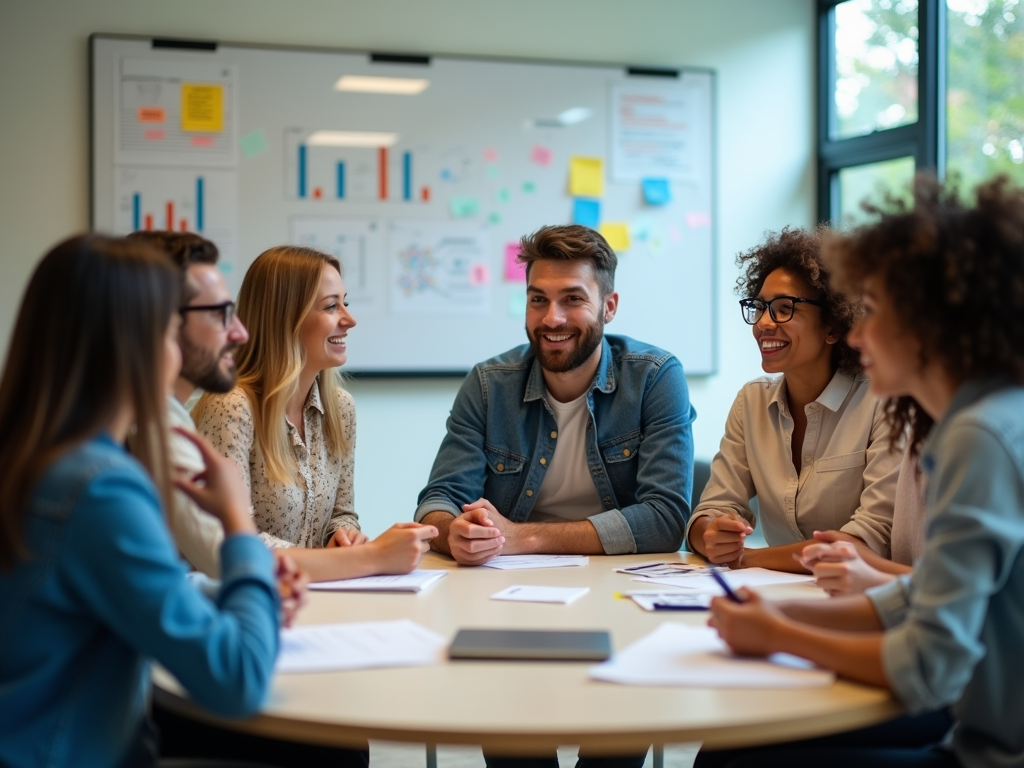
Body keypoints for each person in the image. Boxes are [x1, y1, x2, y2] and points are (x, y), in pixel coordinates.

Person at [699, 174, 1024, 768]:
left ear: (934, 323)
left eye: (873, 313)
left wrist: (779, 634)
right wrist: (782, 609)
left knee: (733, 756)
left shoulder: (978, 437)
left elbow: (927, 668)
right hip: (975, 730)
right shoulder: (982, 417)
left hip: (985, 753)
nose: (857, 333)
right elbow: (920, 596)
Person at [0, 234, 279, 768]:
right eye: (171, 333)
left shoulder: (37, 458)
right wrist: (239, 526)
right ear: (132, 342)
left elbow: (101, 593)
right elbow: (238, 680)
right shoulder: (101, 488)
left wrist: (234, 593)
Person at [194, 245, 437, 582]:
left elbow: (342, 514)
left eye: (345, 303)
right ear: (284, 318)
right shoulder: (232, 407)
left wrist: (343, 536)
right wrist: (371, 557)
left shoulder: (340, 408)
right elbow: (233, 546)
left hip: (315, 597)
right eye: (331, 306)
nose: (349, 320)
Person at [687, 227, 902, 572]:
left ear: (833, 326)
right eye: (759, 308)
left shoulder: (881, 403)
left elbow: (866, 540)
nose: (763, 324)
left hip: (860, 603)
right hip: (777, 594)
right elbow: (711, 509)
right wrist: (710, 533)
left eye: (785, 308)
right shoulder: (751, 402)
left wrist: (748, 558)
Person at [126, 230, 248, 577]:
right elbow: (224, 563)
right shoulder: (150, 425)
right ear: (160, 322)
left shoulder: (168, 414)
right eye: (220, 314)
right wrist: (235, 513)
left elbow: (156, 585)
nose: (240, 333)